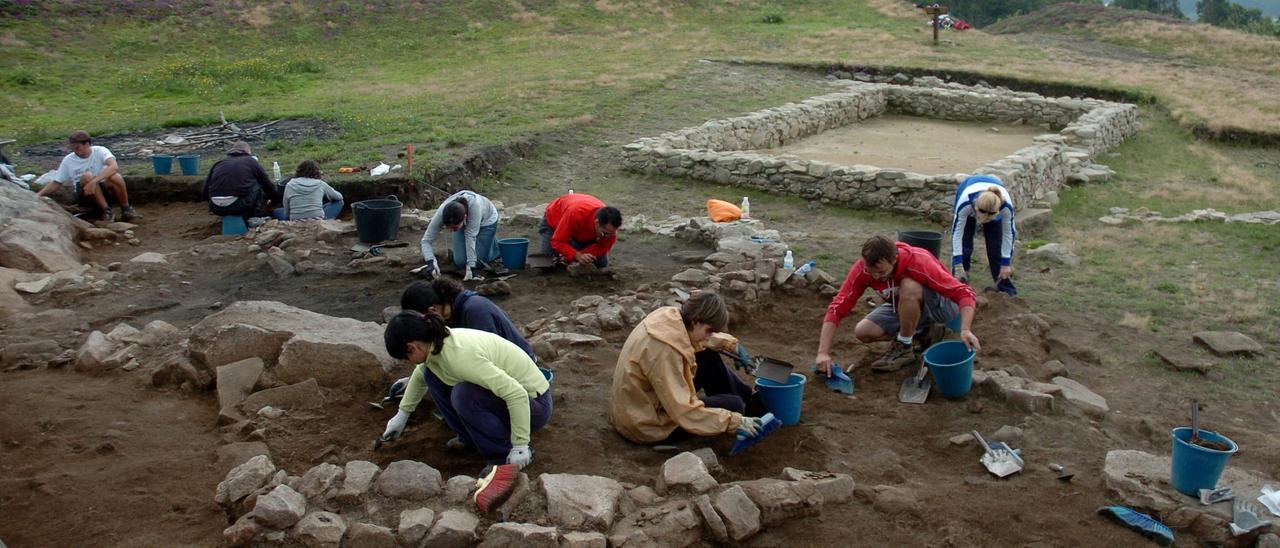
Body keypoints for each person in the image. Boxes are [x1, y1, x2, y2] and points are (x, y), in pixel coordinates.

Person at [382, 312, 551, 469]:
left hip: (534, 407)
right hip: (517, 401)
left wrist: (520, 445)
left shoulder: (460, 356)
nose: (410, 362)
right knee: (430, 374)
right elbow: (420, 375)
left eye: (406, 357)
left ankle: (501, 458)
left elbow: (516, 394)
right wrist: (402, 414)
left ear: (413, 347)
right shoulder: (437, 343)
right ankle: (468, 438)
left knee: (464, 395)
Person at [609, 292, 767, 445]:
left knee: (707, 354)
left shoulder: (669, 316)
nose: (709, 336)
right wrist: (733, 421)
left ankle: (749, 398)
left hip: (637, 404)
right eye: (709, 330)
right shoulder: (665, 353)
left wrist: (732, 345)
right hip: (645, 425)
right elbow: (683, 412)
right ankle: (741, 407)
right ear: (696, 321)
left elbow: (698, 338)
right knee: (733, 404)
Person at [814, 235, 981, 376]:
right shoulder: (863, 270)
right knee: (863, 331)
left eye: (881, 272)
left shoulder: (918, 261)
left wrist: (965, 329)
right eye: (871, 272)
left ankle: (904, 346)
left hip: (941, 307)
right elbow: (838, 306)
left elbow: (964, 293)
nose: (876, 277)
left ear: (894, 259)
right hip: (905, 307)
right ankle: (924, 333)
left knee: (909, 286)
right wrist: (822, 353)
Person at [400, 278, 535, 361]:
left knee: (460, 390)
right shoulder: (451, 314)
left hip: (520, 369)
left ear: (432, 310)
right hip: (499, 365)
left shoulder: (475, 311)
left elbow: (492, 357)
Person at [36, 131, 141, 222]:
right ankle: (106, 210)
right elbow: (57, 182)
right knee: (87, 176)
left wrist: (94, 181)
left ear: (87, 144)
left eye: (78, 148)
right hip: (85, 193)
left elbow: (114, 167)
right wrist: (38, 195)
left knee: (115, 177)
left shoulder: (100, 151)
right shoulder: (68, 160)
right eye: (73, 148)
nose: (75, 151)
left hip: (101, 187)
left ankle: (126, 209)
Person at [951, 174, 1017, 296]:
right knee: (965, 245)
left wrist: (1006, 263)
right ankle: (958, 285)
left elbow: (1009, 234)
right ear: (975, 208)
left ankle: (1006, 289)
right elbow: (957, 234)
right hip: (969, 187)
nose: (984, 220)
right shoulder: (965, 203)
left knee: (996, 248)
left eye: (989, 218)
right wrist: (958, 264)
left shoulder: (1005, 207)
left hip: (992, 202)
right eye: (982, 217)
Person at [419, 190, 500, 281]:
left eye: (454, 228)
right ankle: (485, 244)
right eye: (449, 228)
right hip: (464, 223)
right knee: (460, 261)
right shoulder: (442, 214)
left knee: (478, 262)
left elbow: (470, 237)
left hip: (486, 222)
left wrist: (471, 268)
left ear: (464, 218)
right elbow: (426, 240)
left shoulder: (475, 207)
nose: (451, 231)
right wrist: (431, 262)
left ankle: (496, 247)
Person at [539, 193, 621, 269]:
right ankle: (568, 246)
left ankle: (570, 248)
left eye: (612, 233)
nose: (607, 237)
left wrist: (582, 255)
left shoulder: (610, 229)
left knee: (601, 264)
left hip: (581, 232)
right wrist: (577, 255)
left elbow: (601, 247)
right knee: (546, 265)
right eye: (605, 233)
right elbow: (557, 240)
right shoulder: (576, 213)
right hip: (554, 221)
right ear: (597, 223)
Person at [201, 141, 279, 220]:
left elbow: (205, 190)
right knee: (257, 182)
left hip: (216, 207)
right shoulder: (250, 161)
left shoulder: (219, 163)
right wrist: (275, 199)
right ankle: (254, 216)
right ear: (248, 151)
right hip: (238, 206)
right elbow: (267, 183)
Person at [277, 160, 343, 221]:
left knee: (277, 211)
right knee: (339, 202)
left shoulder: (290, 184)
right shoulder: (320, 184)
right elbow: (339, 197)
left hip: (295, 222)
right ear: (317, 172)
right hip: (318, 220)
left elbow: (286, 211)